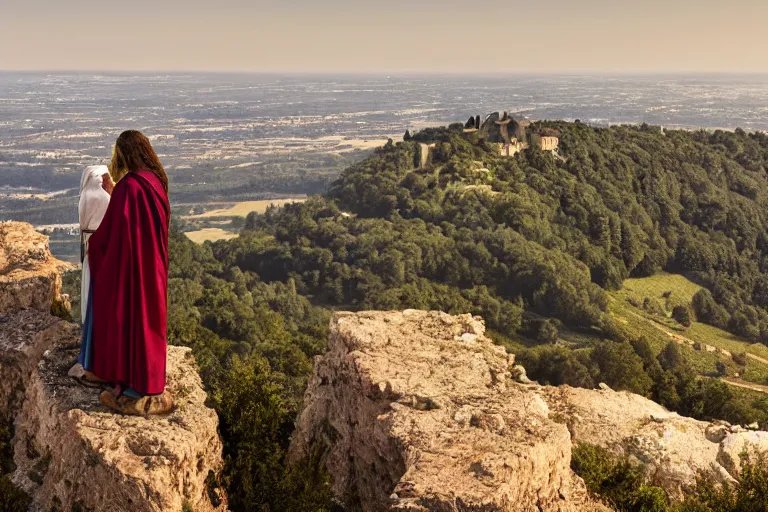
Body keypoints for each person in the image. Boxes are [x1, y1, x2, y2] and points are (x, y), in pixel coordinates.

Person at [89, 130, 173, 416]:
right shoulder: (156, 182)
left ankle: (132, 390)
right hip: (155, 269)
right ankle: (150, 382)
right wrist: (116, 193)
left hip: (134, 270)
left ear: (125, 154)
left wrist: (94, 245)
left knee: (131, 322)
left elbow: (113, 233)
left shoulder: (130, 186)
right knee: (150, 324)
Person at [68, 165, 113, 384]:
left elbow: (83, 225)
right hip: (104, 248)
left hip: (89, 244)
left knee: (88, 287)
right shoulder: (106, 197)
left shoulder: (85, 196)